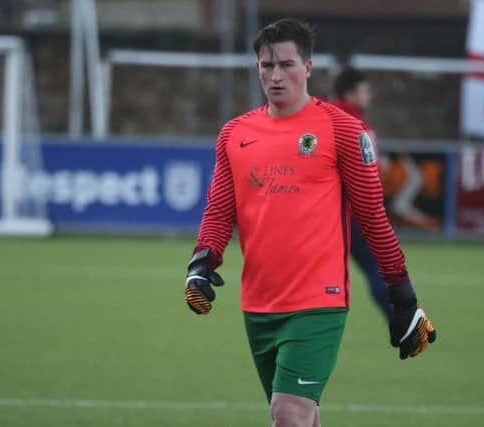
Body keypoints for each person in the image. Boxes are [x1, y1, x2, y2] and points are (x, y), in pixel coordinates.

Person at [184, 18, 436, 427]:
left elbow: (373, 217)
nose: (275, 75)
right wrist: (201, 262)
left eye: (286, 65)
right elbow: (218, 210)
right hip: (258, 302)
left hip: (319, 302)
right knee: (302, 415)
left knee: (287, 414)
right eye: (267, 65)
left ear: (308, 68)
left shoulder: (343, 130)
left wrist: (403, 295)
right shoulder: (234, 133)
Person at [329, 67, 392, 319]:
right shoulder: (359, 126)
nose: (369, 96)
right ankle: (401, 321)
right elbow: (368, 174)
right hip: (353, 213)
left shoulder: (316, 117)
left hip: (320, 213)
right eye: (365, 91)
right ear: (350, 94)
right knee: (377, 267)